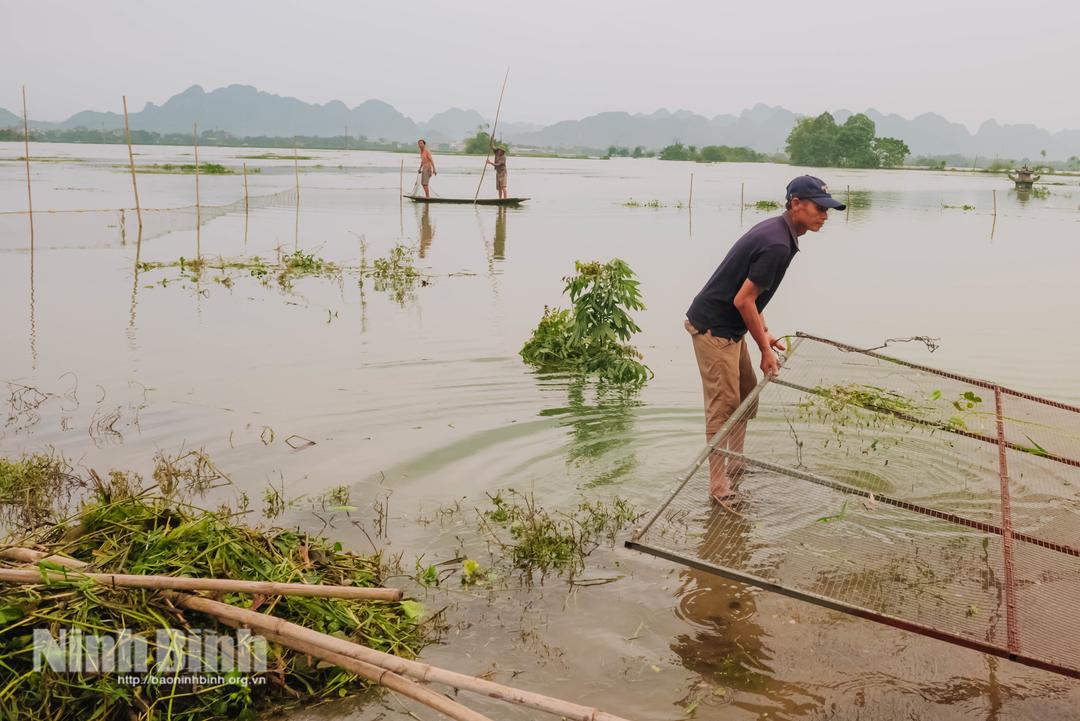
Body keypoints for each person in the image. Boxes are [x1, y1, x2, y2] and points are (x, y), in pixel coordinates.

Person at [685, 175, 845, 507]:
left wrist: (765, 332)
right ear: (796, 204)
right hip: (715, 330)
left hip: (732, 328)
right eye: (819, 208)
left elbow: (752, 299)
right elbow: (743, 300)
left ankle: (736, 464)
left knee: (745, 396)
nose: (825, 216)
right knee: (724, 406)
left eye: (828, 210)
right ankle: (718, 487)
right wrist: (763, 349)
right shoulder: (776, 243)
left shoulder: (780, 233)